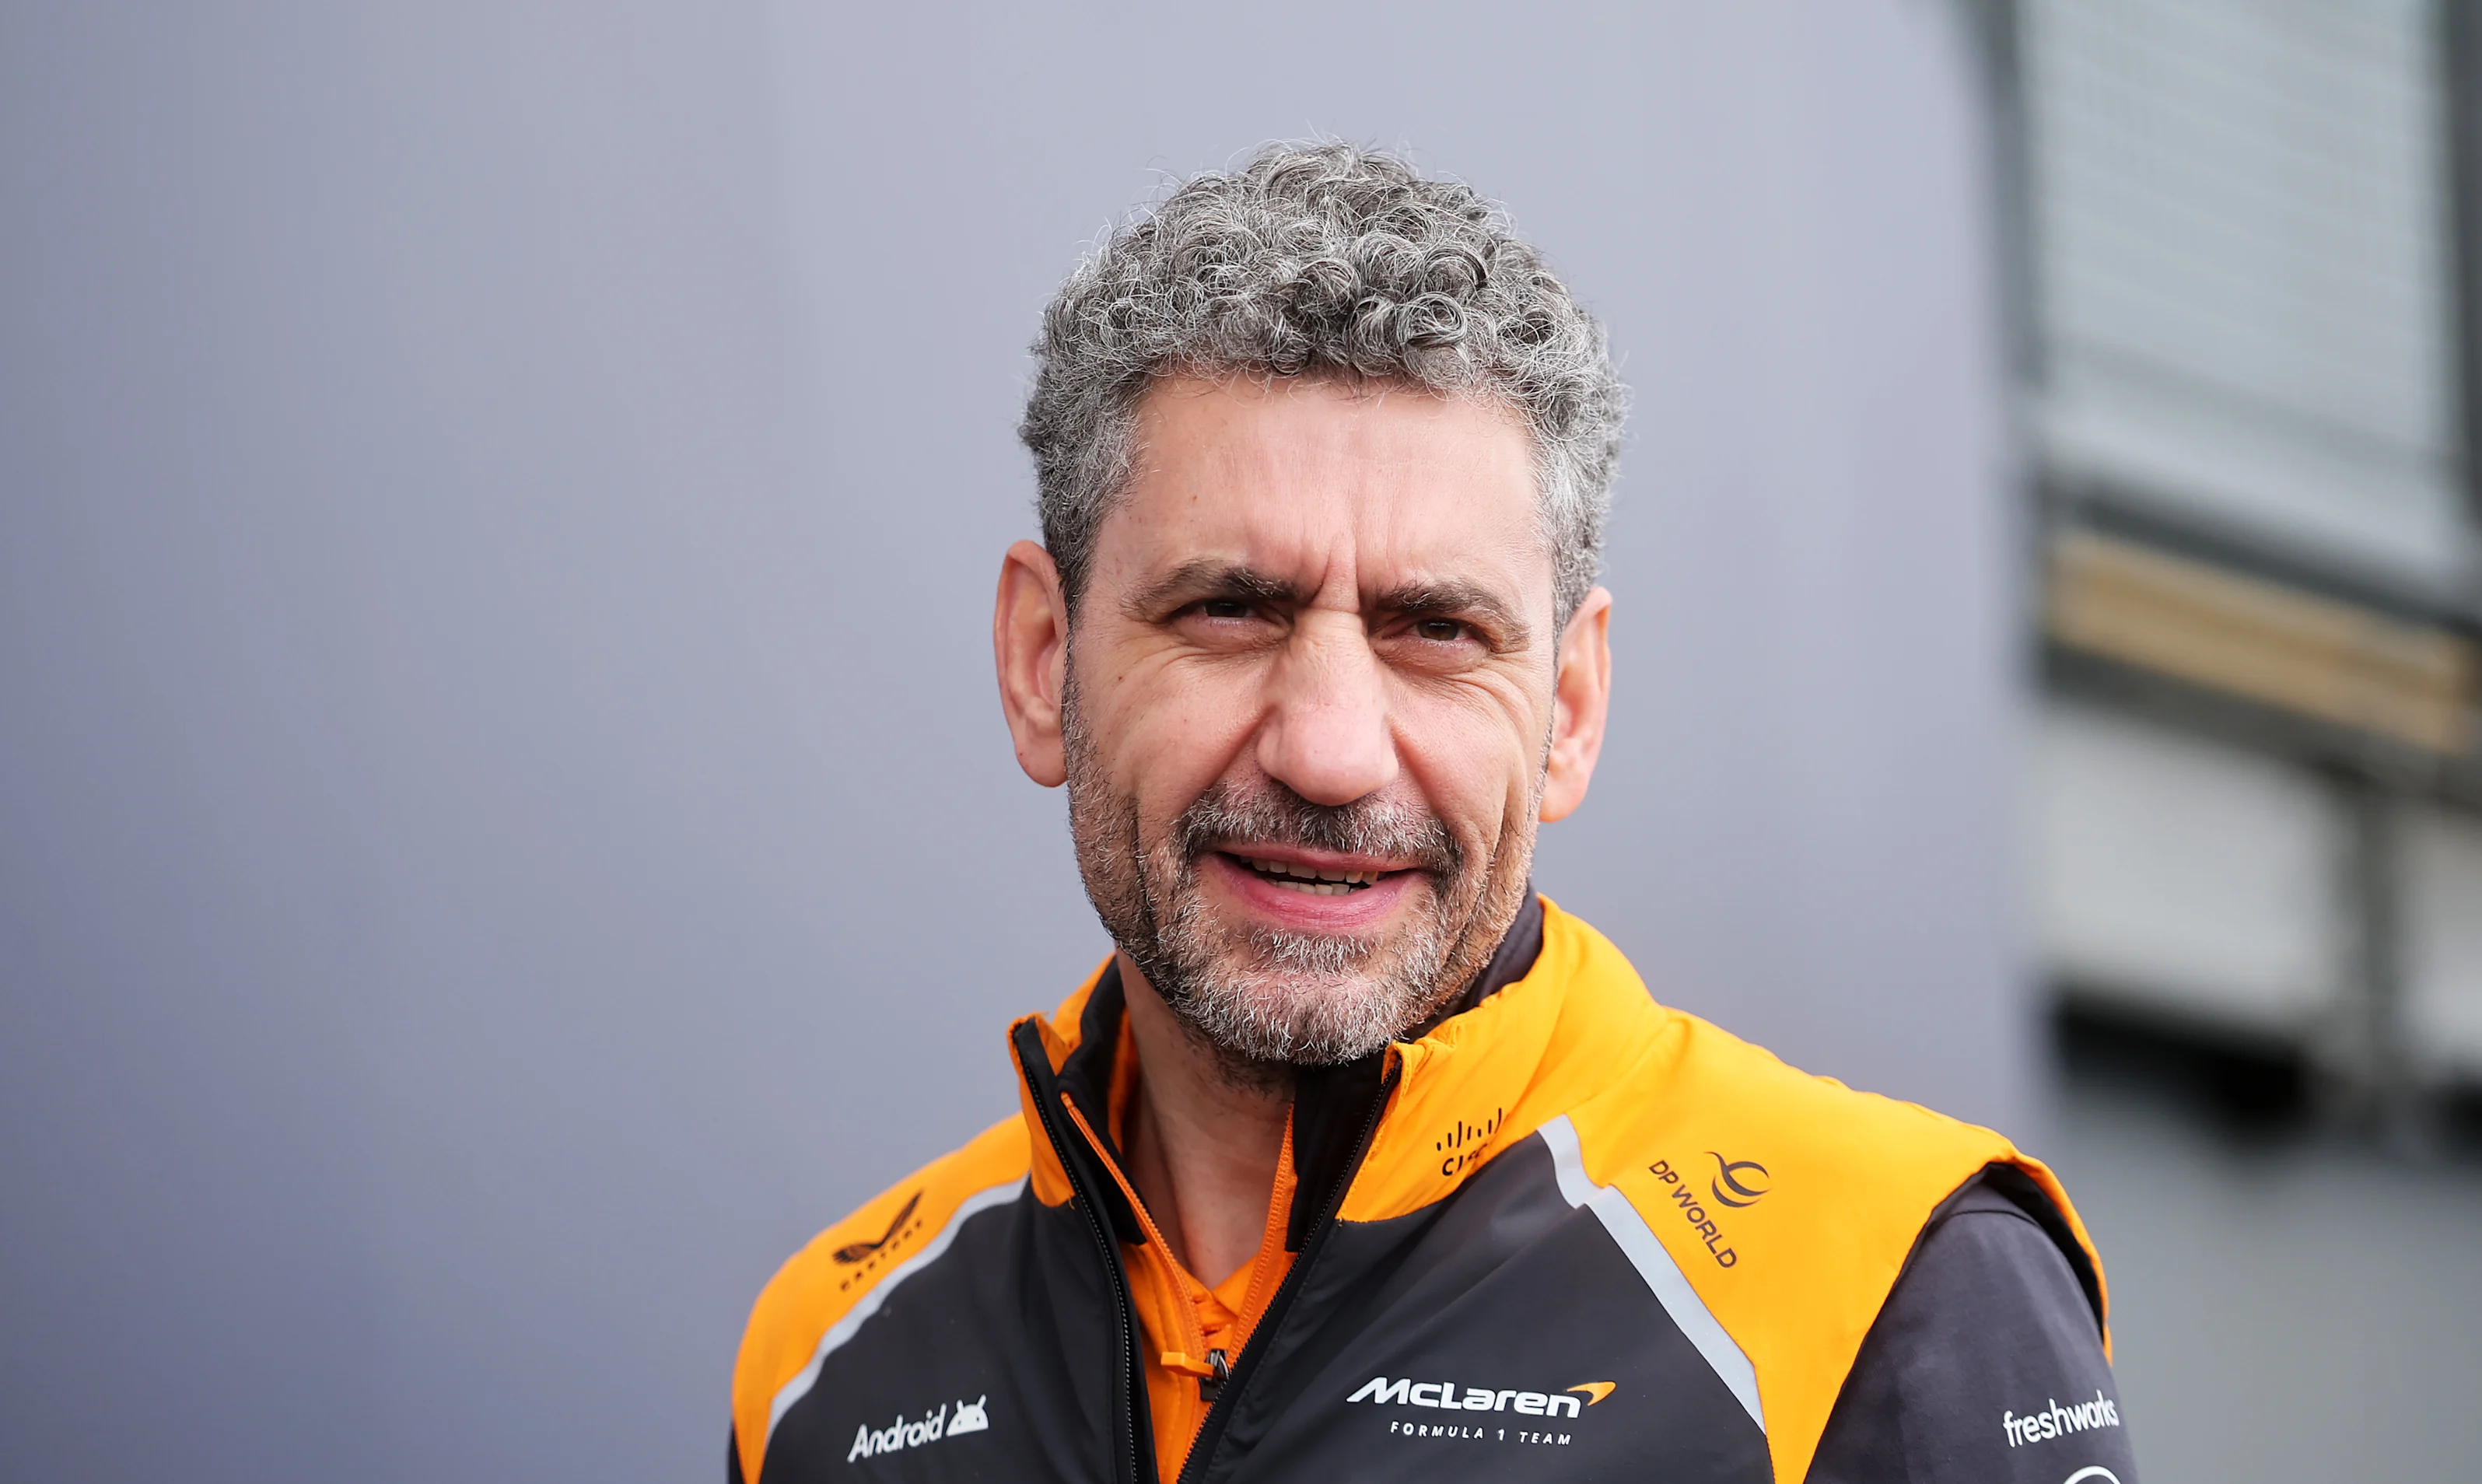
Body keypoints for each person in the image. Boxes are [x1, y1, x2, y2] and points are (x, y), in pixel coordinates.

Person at [728, 142, 2137, 1484]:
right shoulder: (822, 1369)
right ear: (1047, 664)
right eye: (1228, 610)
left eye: (1437, 631)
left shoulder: (1892, 1284)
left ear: (1569, 710)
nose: (1331, 752)